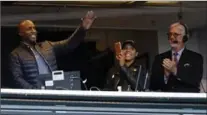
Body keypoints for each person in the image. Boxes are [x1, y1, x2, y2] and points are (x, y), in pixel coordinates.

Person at [9, 11, 96, 89]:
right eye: (29, 28)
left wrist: (83, 28)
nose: (33, 31)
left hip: (53, 90)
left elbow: (69, 44)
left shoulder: (47, 46)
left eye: (34, 28)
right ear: (20, 33)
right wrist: (34, 91)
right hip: (34, 96)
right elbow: (17, 78)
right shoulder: (16, 54)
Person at [149, 22, 203, 92]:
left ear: (185, 38)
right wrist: (166, 76)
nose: (171, 37)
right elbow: (153, 86)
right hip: (166, 101)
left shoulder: (196, 58)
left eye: (176, 34)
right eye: (170, 34)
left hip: (187, 100)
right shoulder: (159, 58)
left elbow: (195, 81)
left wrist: (175, 71)